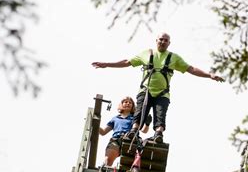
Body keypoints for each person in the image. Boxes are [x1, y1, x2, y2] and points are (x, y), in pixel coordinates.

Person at [91, 32, 224, 143]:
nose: (163, 42)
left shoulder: (174, 58)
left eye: (166, 40)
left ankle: (158, 134)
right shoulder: (147, 53)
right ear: (156, 40)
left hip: (162, 93)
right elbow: (127, 62)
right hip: (145, 90)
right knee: (139, 112)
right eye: (161, 39)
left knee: (160, 114)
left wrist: (209, 75)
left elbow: (191, 69)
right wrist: (106, 64)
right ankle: (133, 130)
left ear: (169, 43)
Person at [99, 97, 150, 166]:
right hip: (116, 139)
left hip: (131, 140)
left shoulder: (135, 118)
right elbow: (103, 132)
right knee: (108, 159)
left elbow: (144, 130)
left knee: (133, 162)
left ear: (132, 106)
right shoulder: (115, 118)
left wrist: (147, 124)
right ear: (121, 104)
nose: (128, 103)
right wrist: (95, 123)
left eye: (130, 102)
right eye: (125, 102)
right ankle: (104, 169)